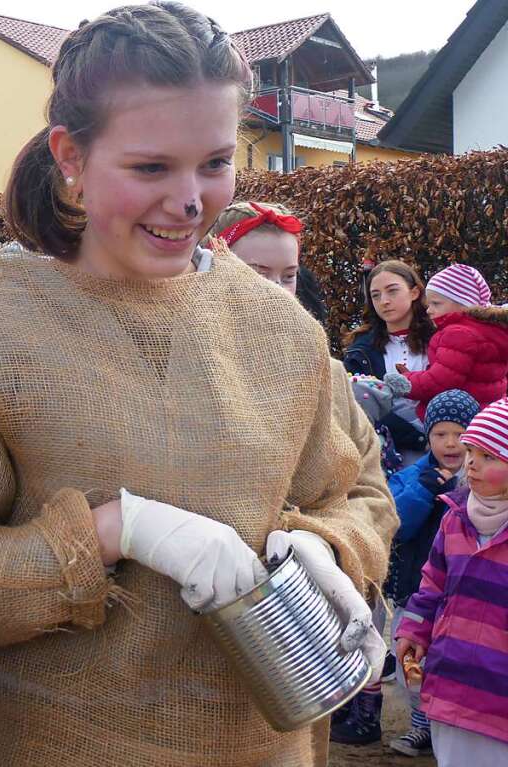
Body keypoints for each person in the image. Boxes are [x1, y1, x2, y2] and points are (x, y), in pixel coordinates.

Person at [0, 5, 395, 765]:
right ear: (70, 155)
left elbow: (361, 494)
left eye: (216, 163)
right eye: (151, 167)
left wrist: (330, 546)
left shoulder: (280, 328)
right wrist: (112, 532)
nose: (190, 200)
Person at [212, 200, 396, 760]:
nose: (275, 291)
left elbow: (371, 494)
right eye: (255, 272)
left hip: (298, 633)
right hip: (188, 648)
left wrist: (327, 544)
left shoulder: (325, 371)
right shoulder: (165, 360)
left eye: (288, 276)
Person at [395, 397, 508, 766]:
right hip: (451, 684)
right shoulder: (455, 519)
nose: (471, 462)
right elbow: (432, 585)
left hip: (499, 698)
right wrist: (414, 630)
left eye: (489, 457)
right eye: (472, 451)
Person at [383, 389, 480, 758]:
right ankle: (420, 726)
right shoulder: (411, 477)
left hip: (463, 594)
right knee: (410, 655)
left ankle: (453, 728)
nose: (451, 443)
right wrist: (424, 492)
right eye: (441, 434)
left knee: (454, 662)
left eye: (461, 433)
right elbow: (396, 525)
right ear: (428, 436)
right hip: (414, 588)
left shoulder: (484, 481)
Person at [385, 263, 508, 417]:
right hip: (484, 418)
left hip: (456, 420)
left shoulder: (458, 334)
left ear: (464, 304)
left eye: (436, 303)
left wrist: (406, 381)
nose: (429, 310)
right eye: (428, 304)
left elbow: (440, 381)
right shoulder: (489, 331)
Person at [344, 260, 436, 463]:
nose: (384, 301)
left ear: (414, 293)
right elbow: (356, 404)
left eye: (392, 291)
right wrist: (417, 438)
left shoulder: (441, 339)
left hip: (445, 445)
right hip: (385, 452)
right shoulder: (360, 349)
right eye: (375, 295)